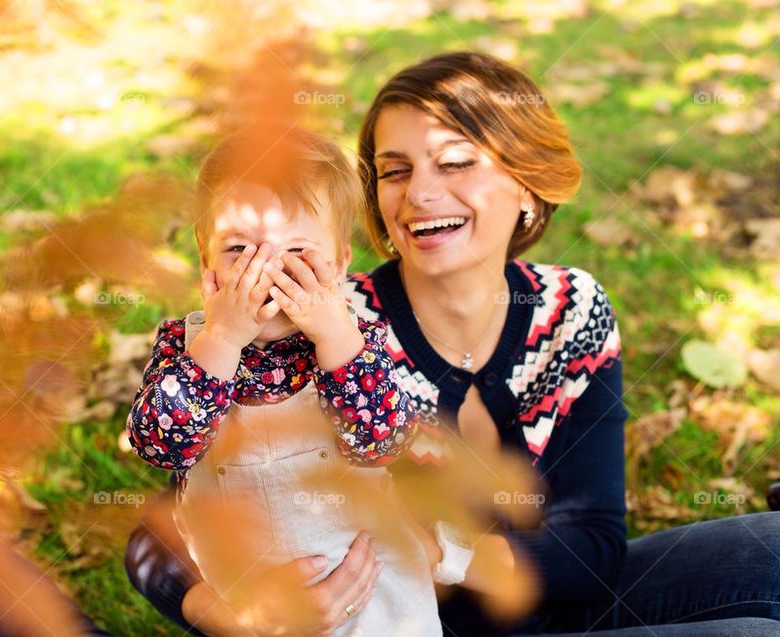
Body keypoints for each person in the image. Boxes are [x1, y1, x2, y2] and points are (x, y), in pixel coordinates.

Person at [125, 52, 780, 636]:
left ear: (526, 184)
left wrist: (450, 554)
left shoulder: (569, 311)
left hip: (550, 602)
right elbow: (158, 527)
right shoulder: (323, 323)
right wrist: (228, 610)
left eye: (456, 162)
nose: (421, 194)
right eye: (394, 171)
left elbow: (593, 547)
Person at [125, 128, 442, 636]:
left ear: (339, 264)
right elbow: (161, 446)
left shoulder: (355, 340)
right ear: (205, 261)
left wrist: (336, 339)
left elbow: (383, 442)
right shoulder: (187, 347)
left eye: (297, 249)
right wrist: (222, 342)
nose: (268, 270)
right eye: (238, 250)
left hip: (371, 592)